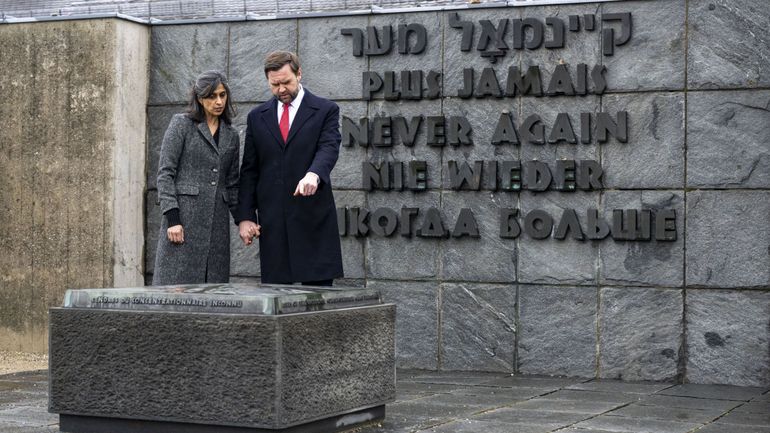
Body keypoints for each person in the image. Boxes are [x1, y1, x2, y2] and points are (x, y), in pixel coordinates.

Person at [235, 51, 343, 286]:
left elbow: (329, 148)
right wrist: (244, 217)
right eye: (275, 84)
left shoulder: (325, 110)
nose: (281, 89)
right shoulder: (257, 117)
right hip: (273, 224)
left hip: (313, 219)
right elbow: (250, 169)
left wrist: (313, 175)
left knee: (317, 302)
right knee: (276, 299)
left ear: (299, 74)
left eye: (286, 82)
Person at [153, 70, 240, 285]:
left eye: (222, 95)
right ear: (200, 99)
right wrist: (172, 219)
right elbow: (165, 173)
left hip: (217, 227)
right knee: (174, 291)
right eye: (212, 97)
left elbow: (232, 184)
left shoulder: (231, 134)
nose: (218, 101)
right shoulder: (181, 124)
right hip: (183, 223)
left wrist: (243, 220)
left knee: (213, 293)